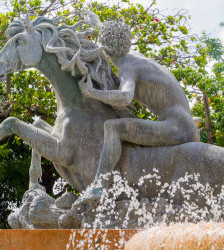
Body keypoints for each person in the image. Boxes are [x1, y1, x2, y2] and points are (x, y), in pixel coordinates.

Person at [74, 20, 200, 208]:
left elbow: (125, 97)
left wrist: (92, 93)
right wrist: (100, 25)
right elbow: (114, 39)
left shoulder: (127, 67)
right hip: (183, 122)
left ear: (106, 49)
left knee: (113, 127)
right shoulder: (134, 56)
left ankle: (99, 186)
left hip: (177, 128)